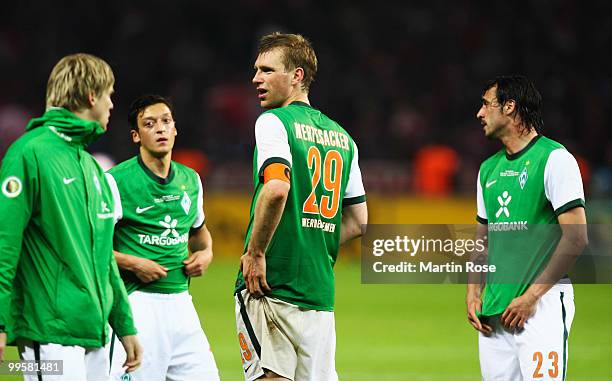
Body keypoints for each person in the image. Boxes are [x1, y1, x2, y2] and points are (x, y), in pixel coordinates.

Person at [234, 32, 368, 381]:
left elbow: (277, 188)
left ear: (297, 75)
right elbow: (358, 222)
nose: (256, 79)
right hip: (318, 293)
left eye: (266, 70)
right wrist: (310, 247)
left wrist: (257, 251)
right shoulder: (344, 138)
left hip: (271, 286)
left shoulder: (273, 122)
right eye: (256, 70)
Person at [0, 53, 142, 380]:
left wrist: (125, 324)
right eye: (109, 95)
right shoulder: (29, 152)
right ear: (92, 96)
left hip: (95, 333)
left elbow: (104, 257)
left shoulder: (92, 166)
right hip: (49, 332)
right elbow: (5, 245)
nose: (111, 105)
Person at [466, 75, 588, 381]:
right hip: (494, 313)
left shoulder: (555, 159)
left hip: (540, 309)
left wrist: (531, 297)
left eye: (485, 104)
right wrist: (473, 291)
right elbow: (483, 239)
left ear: (509, 107)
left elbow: (576, 238)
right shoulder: (487, 170)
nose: (479, 113)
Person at [105, 95, 219, 380]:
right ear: (136, 135)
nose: (160, 129)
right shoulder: (115, 181)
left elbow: (201, 235)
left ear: (175, 129)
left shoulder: (191, 180)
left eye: (166, 121)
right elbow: (91, 247)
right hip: (137, 304)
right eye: (149, 123)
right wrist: (133, 263)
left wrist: (206, 254)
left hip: (182, 304)